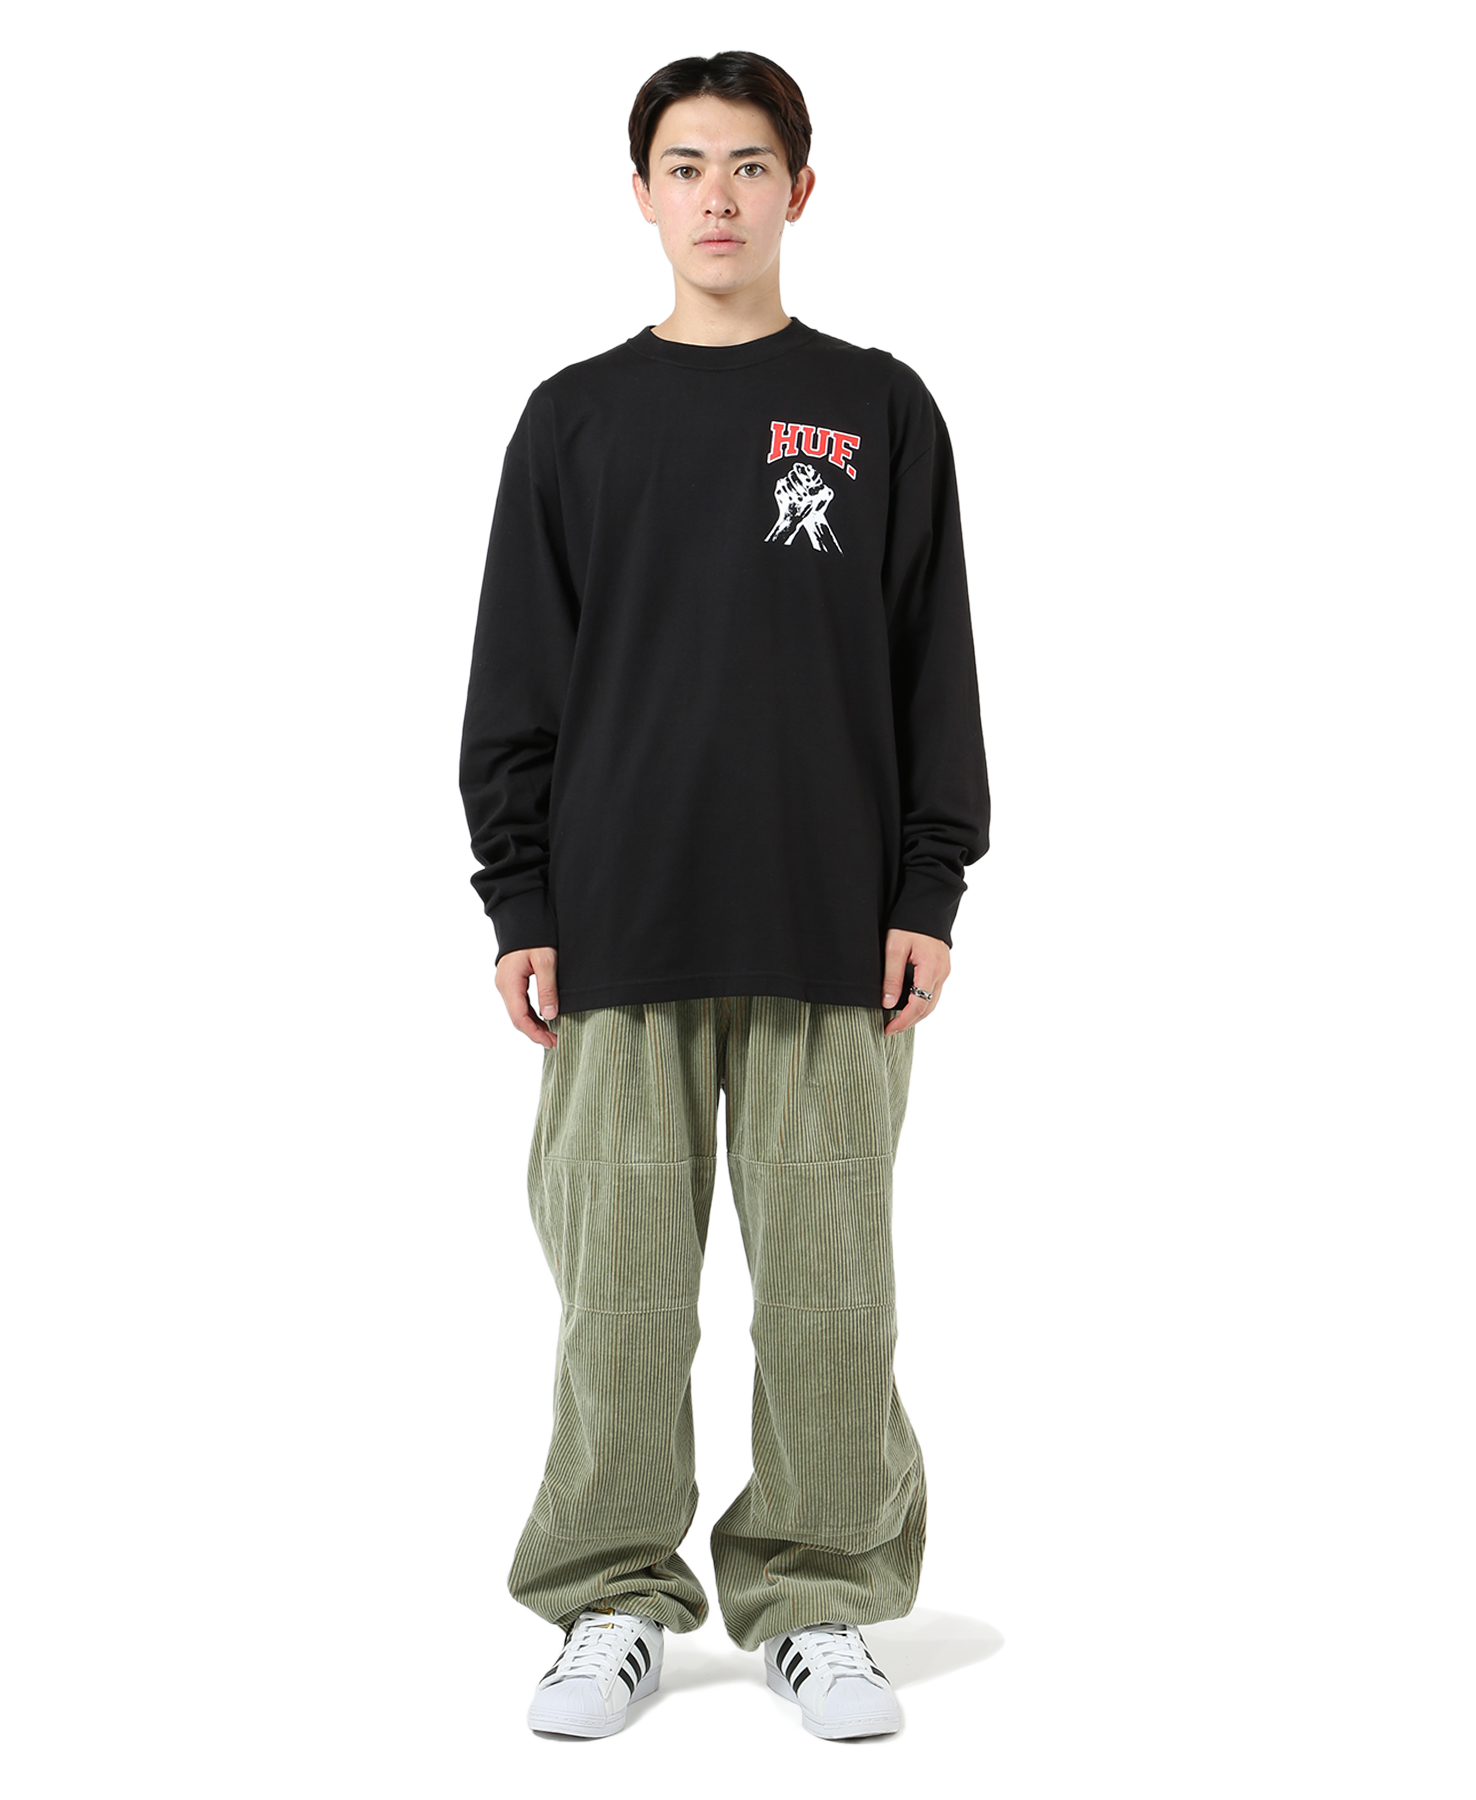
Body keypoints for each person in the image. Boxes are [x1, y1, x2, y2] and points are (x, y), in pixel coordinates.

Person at [458, 48, 991, 1742]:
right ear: (640, 193)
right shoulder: (576, 418)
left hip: (832, 924)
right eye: (685, 166)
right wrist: (522, 900)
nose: (717, 196)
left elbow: (932, 663)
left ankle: (819, 1599)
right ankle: (610, 1594)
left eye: (749, 165)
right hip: (617, 923)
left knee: (832, 1292)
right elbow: (517, 676)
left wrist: (929, 883)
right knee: (617, 1289)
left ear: (799, 190)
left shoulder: (876, 408)